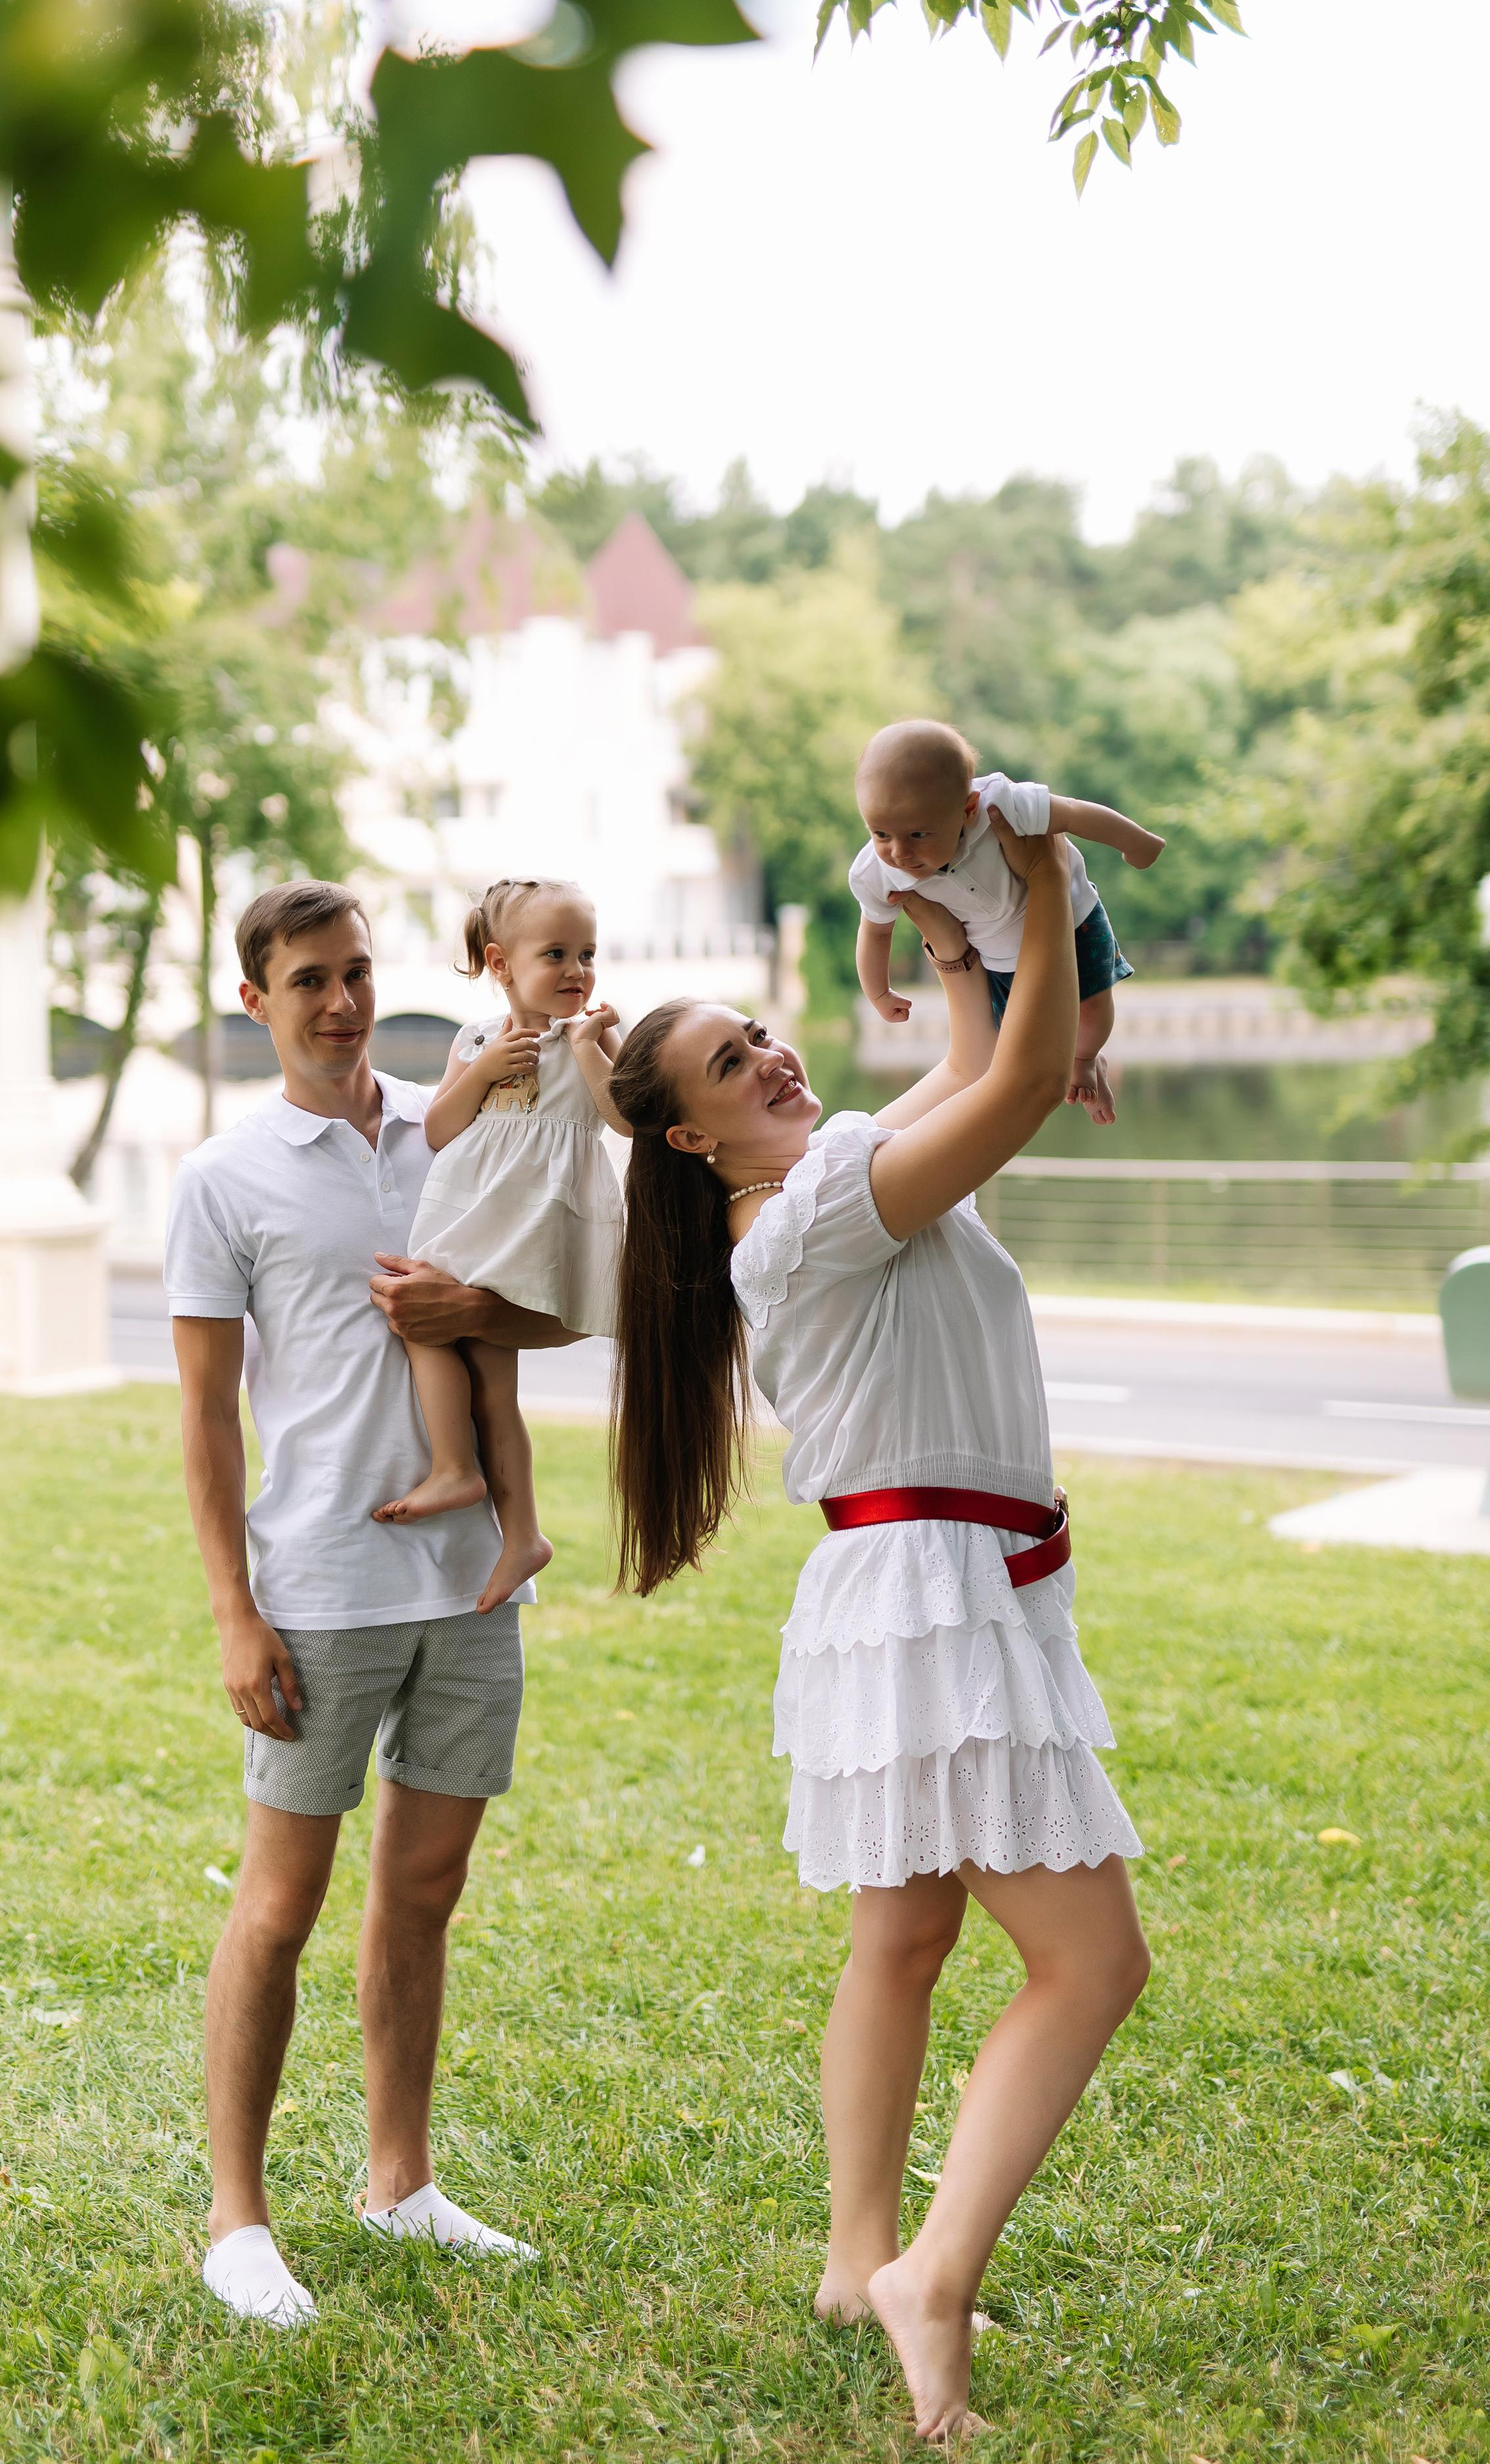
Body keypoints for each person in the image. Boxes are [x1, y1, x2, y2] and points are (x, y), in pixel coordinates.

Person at [607, 828, 1150, 2447]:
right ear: (690, 1136)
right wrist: (1040, 869)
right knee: (1090, 1961)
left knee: (901, 1941)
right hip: (929, 1594)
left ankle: (857, 2258)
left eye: (754, 1029)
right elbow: (1027, 1073)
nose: (767, 1050)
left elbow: (982, 1053)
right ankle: (927, 2273)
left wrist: (944, 927)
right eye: (726, 1059)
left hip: (922, 1585)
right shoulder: (814, 1208)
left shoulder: (818, 1177)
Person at [164, 878, 574, 2330]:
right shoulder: (223, 1179)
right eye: (306, 983)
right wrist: (233, 1608)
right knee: (279, 1904)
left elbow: (548, 1301)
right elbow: (209, 1421)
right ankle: (236, 2221)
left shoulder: (453, 1126)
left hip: (466, 1578)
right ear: (254, 1003)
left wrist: (476, 1317)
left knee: (424, 1888)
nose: (340, 1004)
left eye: (354, 974)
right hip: (322, 1584)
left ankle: (397, 2185)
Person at [372, 878, 625, 1602]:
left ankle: (466, 1478)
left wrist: (586, 1049)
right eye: (556, 954)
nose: (578, 971)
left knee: (458, 1345)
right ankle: (516, 1530)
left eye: (587, 953)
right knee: (445, 1340)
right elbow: (440, 1129)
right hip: (477, 1214)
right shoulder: (476, 1039)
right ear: (502, 963)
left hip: (535, 1219)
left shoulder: (599, 1031)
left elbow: (627, 1119)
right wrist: (481, 1072)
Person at [852, 716, 1163, 1124]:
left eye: (918, 835)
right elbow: (876, 932)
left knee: (1092, 1012)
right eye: (880, 833)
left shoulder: (1002, 804)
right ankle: (1079, 1060)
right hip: (1001, 957)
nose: (898, 852)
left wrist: (1135, 842)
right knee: (1020, 1045)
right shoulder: (874, 873)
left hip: (1073, 921)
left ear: (967, 809)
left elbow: (1072, 814)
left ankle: (1086, 1059)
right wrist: (879, 992)